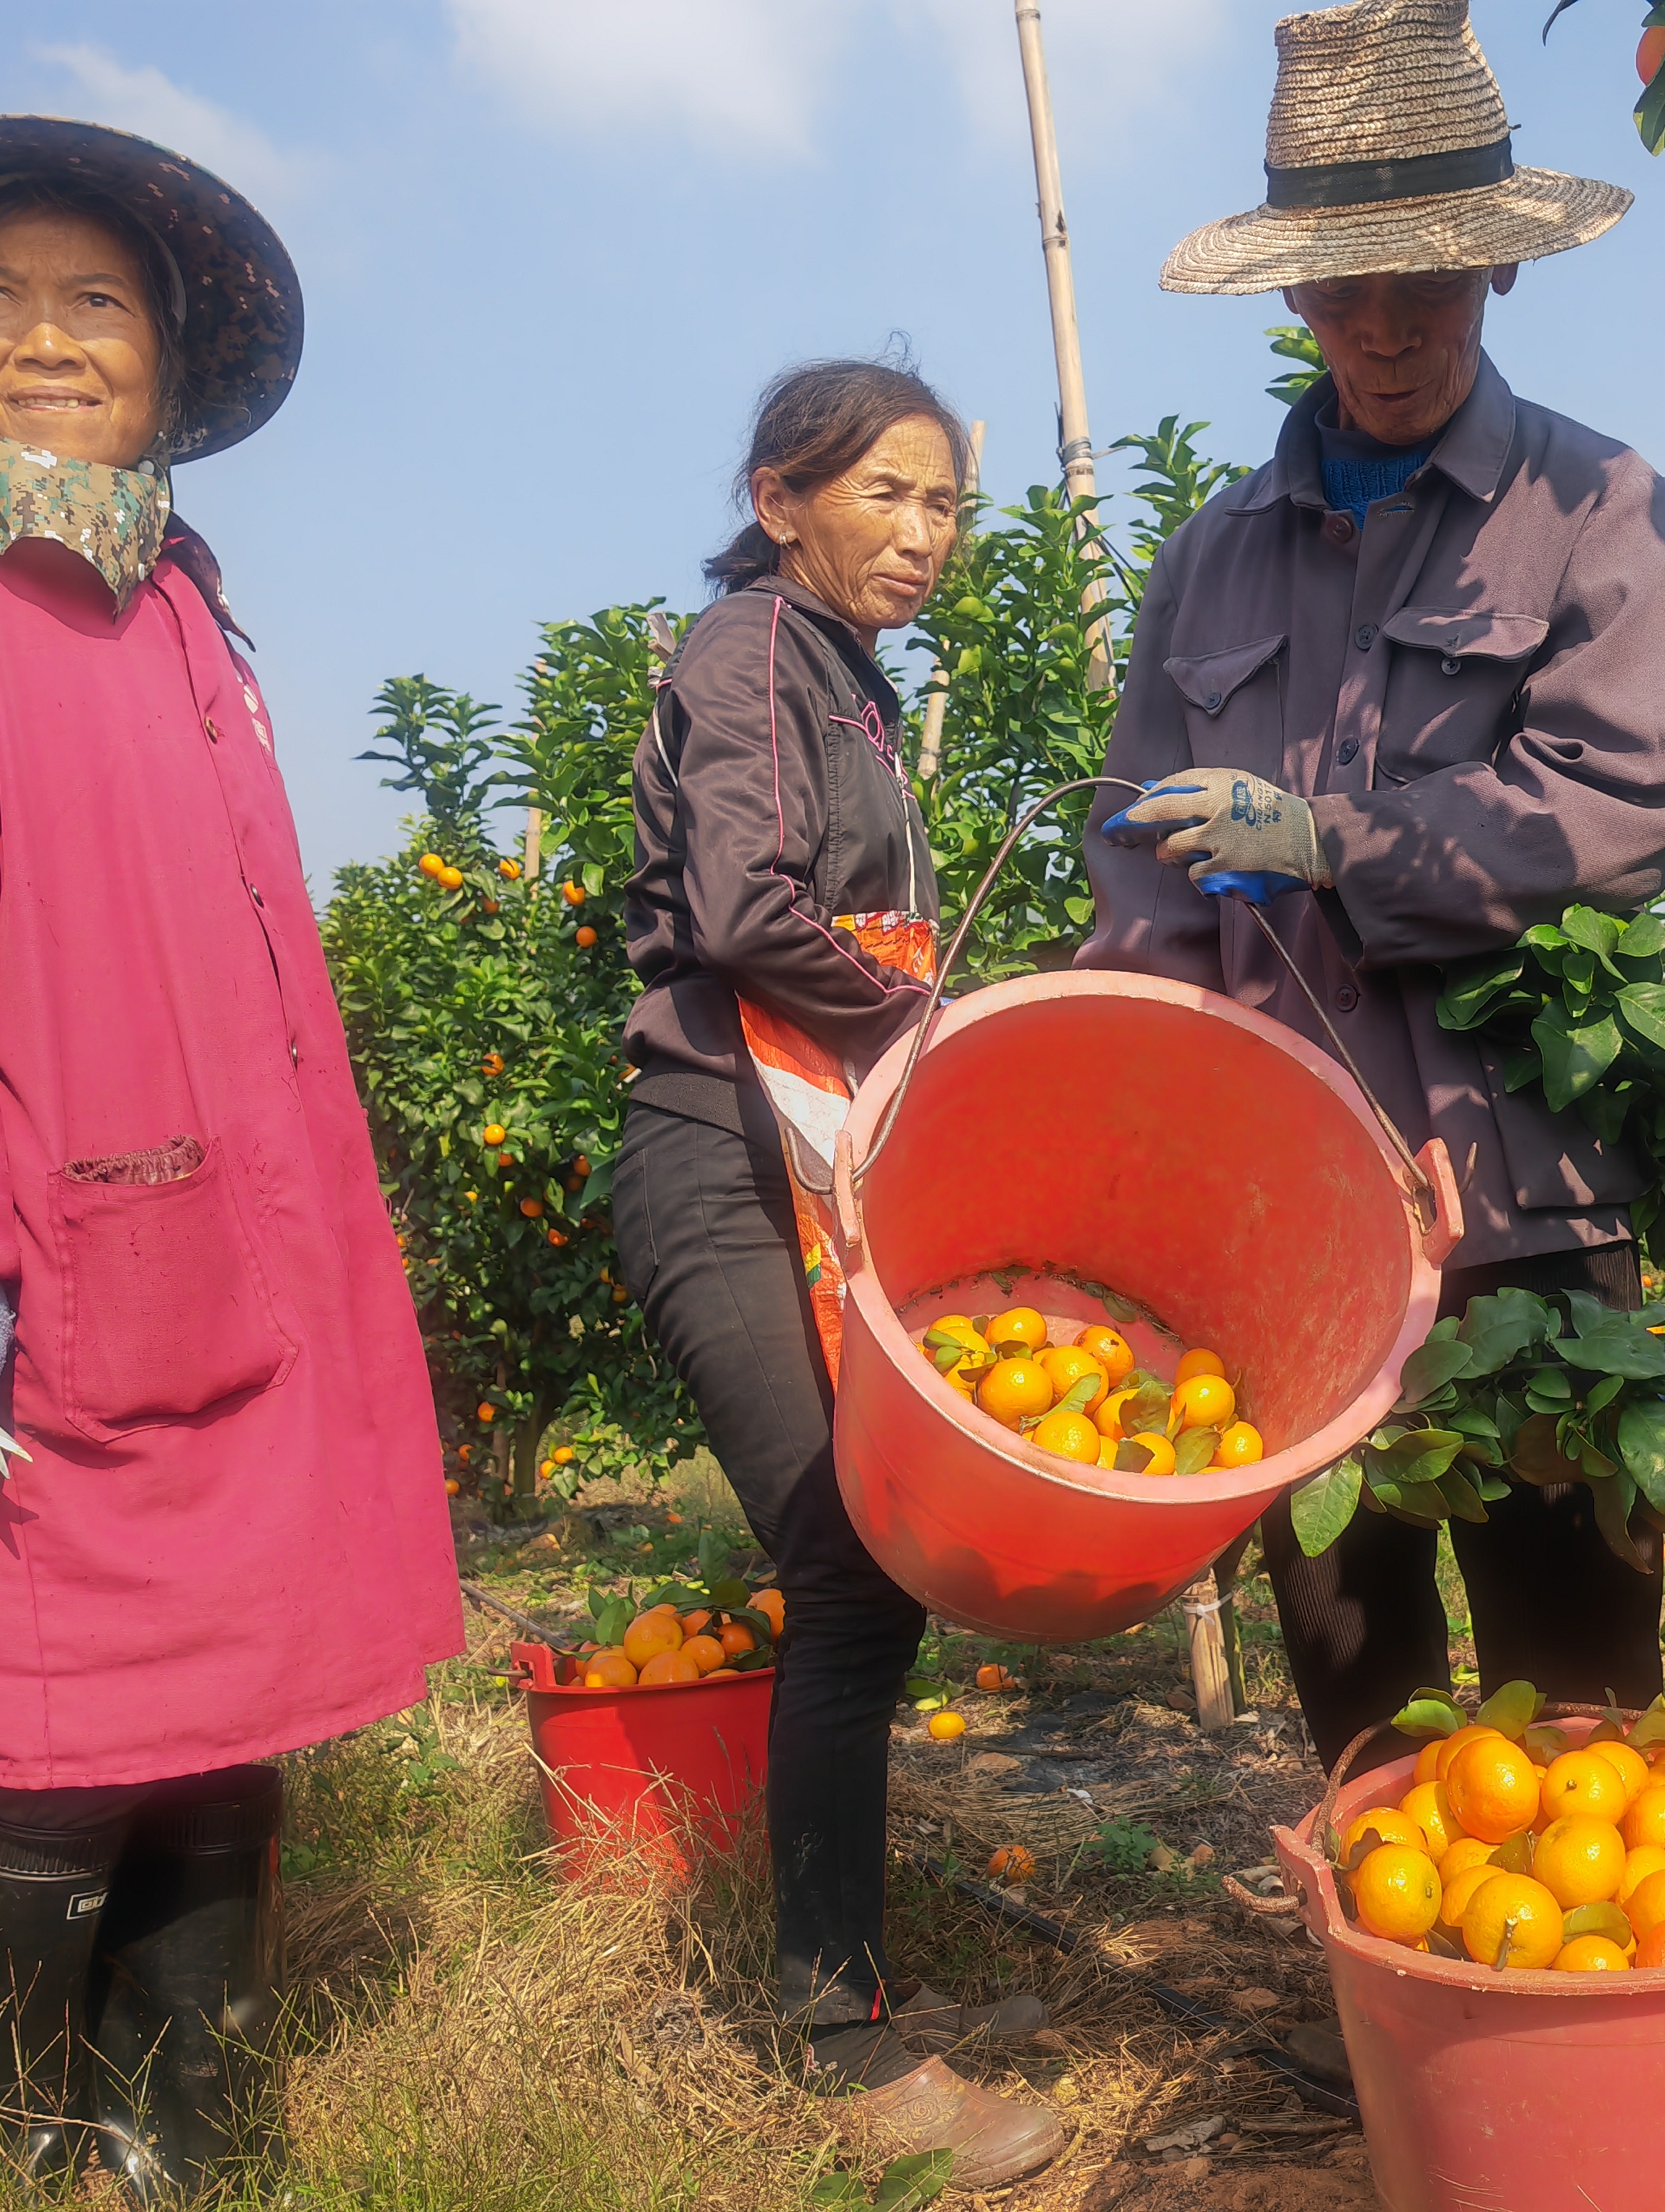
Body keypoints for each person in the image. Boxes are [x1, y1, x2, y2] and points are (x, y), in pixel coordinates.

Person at [0, 121, 461, 2195]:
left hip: (223, 1266)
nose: (49, 339)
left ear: (164, 361)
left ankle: (186, 2137)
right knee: (33, 1738)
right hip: (43, 1282)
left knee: (217, 1719)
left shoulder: (165, 598)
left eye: (99, 302)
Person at [1085, 0, 1665, 1771]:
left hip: (1518, 1199)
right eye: (1343, 295)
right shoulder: (1208, 562)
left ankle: (1594, 2036)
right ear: (1289, 297)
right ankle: (1405, 2011)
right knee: (1352, 1660)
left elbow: (1627, 798)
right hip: (1293, 1212)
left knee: (1575, 1668)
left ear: (1496, 274)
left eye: (1423, 288)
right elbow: (1135, 873)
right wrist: (1112, 1105)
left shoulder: (1590, 504)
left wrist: (1335, 844)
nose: (1382, 331)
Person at [614, 358, 1065, 2188]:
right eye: (885, 491)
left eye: (946, 503)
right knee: (848, 1561)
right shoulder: (750, 651)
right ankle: (843, 2048)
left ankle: (847, 1984)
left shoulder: (849, 684)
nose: (923, 531)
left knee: (869, 1573)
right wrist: (937, 1025)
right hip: (713, 1157)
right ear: (780, 496)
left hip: (803, 1154)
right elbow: (740, 912)